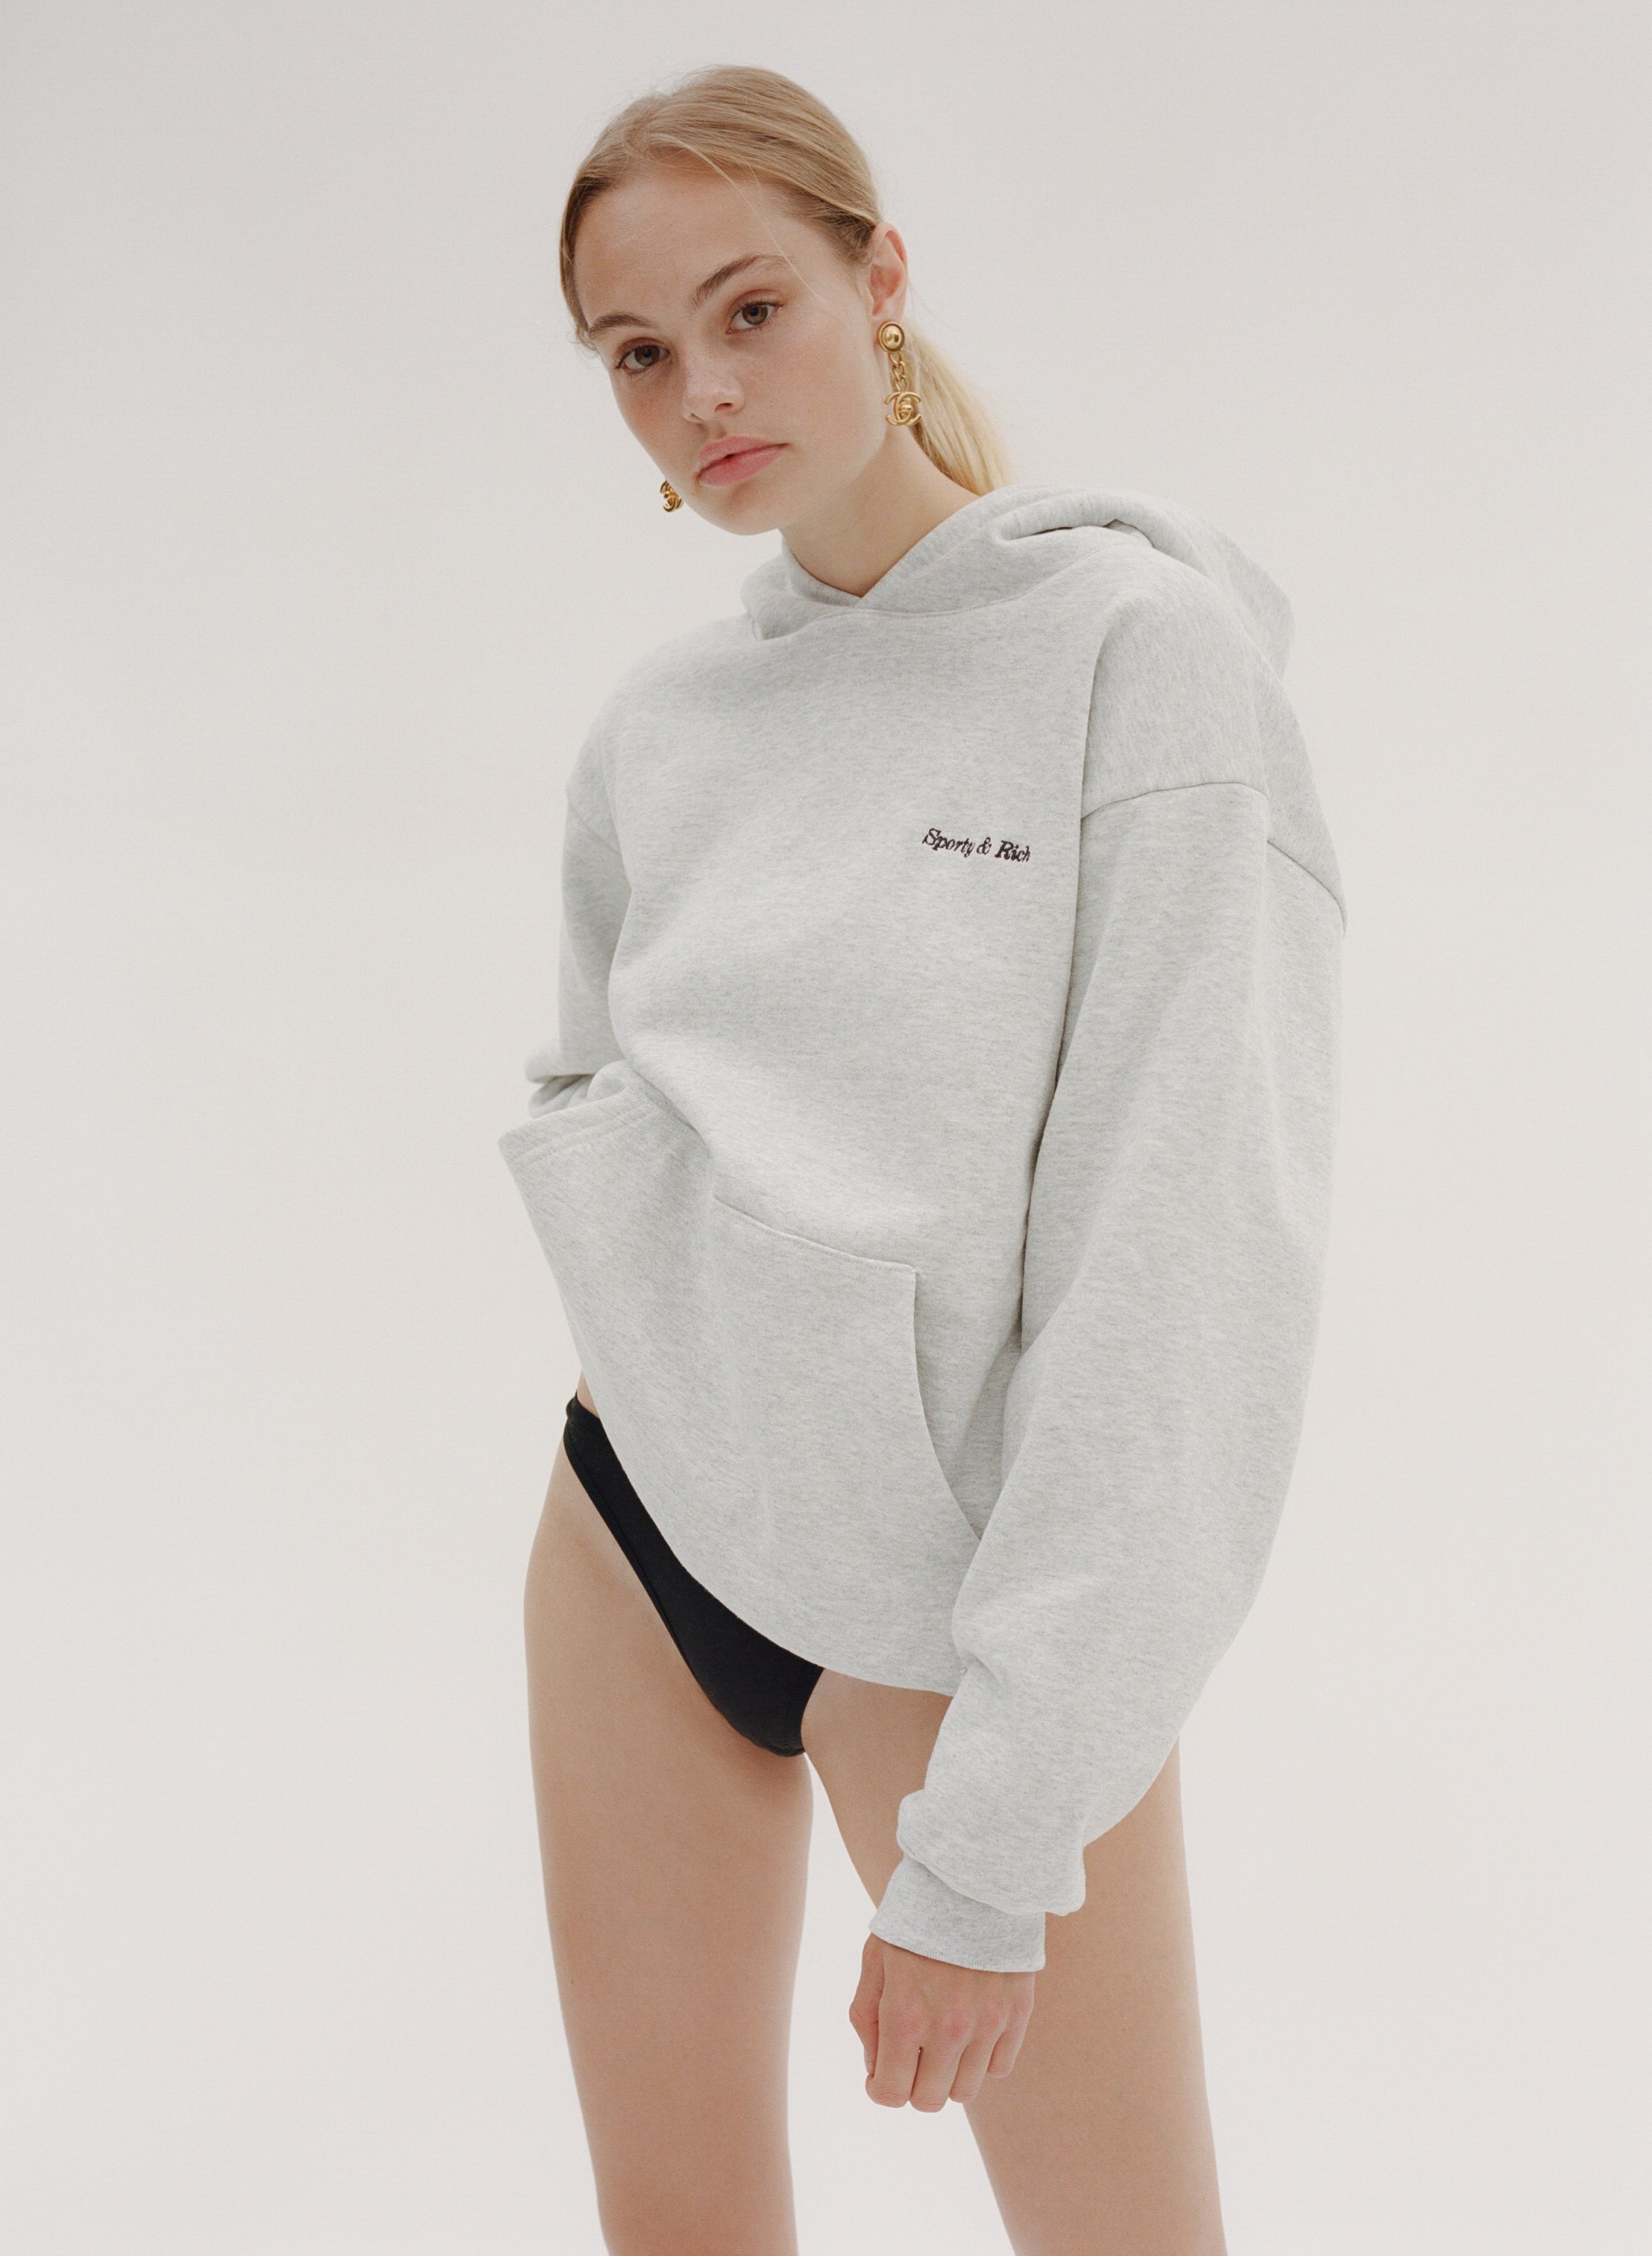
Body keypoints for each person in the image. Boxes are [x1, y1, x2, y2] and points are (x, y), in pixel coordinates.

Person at [499, 63, 1345, 2256]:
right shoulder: (659, 731)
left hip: (950, 1606)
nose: (702, 393)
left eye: (750, 308)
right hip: (634, 1536)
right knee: (676, 2227)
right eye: (636, 353)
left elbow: (1179, 1269)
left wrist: (993, 1842)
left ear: (881, 280)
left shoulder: (1138, 663)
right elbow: (600, 1089)